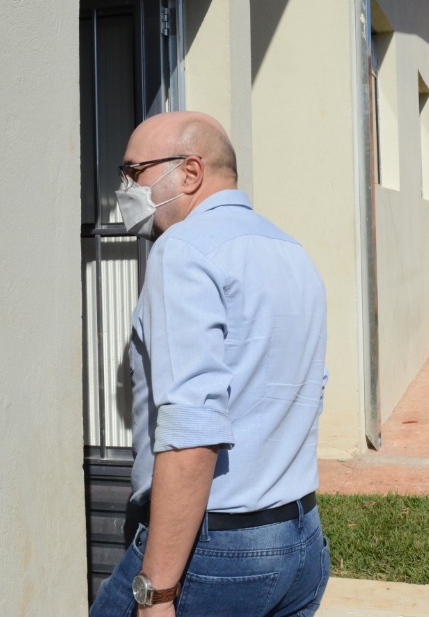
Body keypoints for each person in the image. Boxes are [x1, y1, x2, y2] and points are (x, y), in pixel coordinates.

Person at [90, 111, 330, 617]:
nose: (125, 188)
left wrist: (157, 594)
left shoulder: (183, 250)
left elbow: (192, 428)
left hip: (217, 551)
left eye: (133, 172)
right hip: (301, 540)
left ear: (190, 172)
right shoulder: (290, 250)